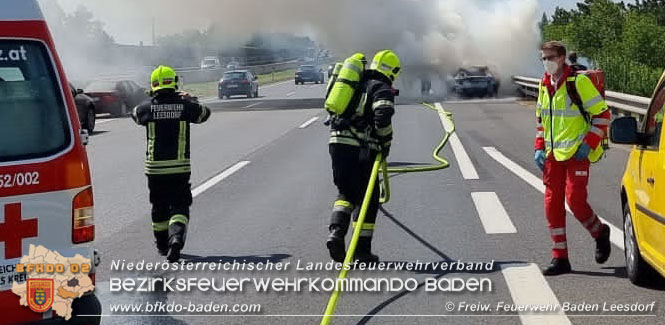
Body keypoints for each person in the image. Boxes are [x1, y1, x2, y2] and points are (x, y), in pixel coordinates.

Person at [535, 41, 611, 275]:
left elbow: (603, 115)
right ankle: (560, 258)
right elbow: (542, 121)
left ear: (561, 58)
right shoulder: (544, 84)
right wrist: (539, 146)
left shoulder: (578, 82)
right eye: (542, 58)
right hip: (552, 156)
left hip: (577, 154)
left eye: (549, 58)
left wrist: (588, 145)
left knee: (575, 200)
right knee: (552, 204)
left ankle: (599, 232)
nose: (545, 62)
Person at [326, 50, 400, 264]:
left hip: (337, 144)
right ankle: (361, 251)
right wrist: (385, 144)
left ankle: (336, 233)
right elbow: (383, 116)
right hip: (361, 149)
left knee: (345, 192)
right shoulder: (381, 87)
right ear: (392, 71)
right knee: (368, 198)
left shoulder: (356, 83)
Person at [132, 65, 211, 262]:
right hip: (179, 168)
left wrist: (152, 99)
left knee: (158, 207)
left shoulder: (147, 108)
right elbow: (205, 114)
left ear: (153, 85)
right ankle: (176, 237)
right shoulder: (185, 106)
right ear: (175, 83)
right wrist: (189, 98)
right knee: (179, 204)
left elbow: (135, 114)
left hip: (155, 170)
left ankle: (161, 245)